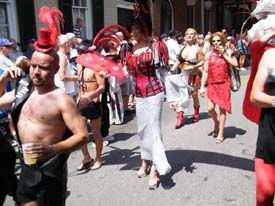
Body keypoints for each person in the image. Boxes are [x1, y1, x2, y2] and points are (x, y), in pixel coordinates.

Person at [0, 6, 88, 206]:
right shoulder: (24, 89)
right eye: (34, 66)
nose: (36, 72)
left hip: (49, 172)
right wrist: (4, 78)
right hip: (26, 168)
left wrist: (52, 148)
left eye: (44, 67)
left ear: (56, 68)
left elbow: (82, 135)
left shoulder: (61, 99)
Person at [124, 0, 171, 189]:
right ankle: (145, 160)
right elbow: (128, 75)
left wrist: (173, 98)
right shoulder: (128, 50)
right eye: (132, 29)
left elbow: (165, 72)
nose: (133, 33)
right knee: (142, 130)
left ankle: (155, 169)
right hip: (139, 94)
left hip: (154, 93)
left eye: (137, 29)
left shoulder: (156, 46)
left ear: (145, 29)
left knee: (154, 130)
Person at [200, 31, 238, 143]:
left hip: (224, 83)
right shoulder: (208, 55)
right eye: (214, 41)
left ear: (222, 41)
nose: (216, 43)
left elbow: (235, 64)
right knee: (210, 108)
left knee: (222, 109)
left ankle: (221, 132)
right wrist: (202, 86)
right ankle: (216, 123)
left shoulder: (228, 52)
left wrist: (224, 54)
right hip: (212, 84)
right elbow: (206, 71)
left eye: (218, 40)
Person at [76, 47, 105, 171]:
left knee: (95, 132)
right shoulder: (79, 67)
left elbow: (102, 87)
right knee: (80, 133)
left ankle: (98, 159)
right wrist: (79, 98)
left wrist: (89, 98)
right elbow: (80, 85)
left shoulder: (97, 68)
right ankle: (86, 158)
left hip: (93, 103)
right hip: (81, 103)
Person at [171, 28, 204, 126]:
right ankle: (180, 117)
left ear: (195, 37)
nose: (189, 36)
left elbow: (202, 61)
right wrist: (172, 69)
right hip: (183, 74)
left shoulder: (198, 49)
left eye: (191, 34)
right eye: (187, 34)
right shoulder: (181, 48)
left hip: (193, 74)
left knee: (194, 95)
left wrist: (195, 66)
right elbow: (178, 61)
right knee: (182, 95)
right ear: (185, 36)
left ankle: (196, 112)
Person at [55, 34, 79, 100]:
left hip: (63, 91)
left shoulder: (59, 55)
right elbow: (62, 77)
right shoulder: (62, 57)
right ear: (65, 44)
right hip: (65, 92)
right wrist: (77, 78)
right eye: (69, 43)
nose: (70, 45)